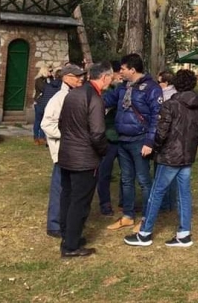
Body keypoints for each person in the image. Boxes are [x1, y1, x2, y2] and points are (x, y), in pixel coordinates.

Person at [124, 69, 198, 248]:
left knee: (156, 193)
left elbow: (161, 133)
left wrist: (157, 147)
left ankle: (145, 233)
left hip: (169, 157)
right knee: (184, 194)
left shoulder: (170, 105)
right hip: (187, 156)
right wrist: (190, 145)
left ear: (176, 84)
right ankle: (184, 234)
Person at [57, 62, 113, 257]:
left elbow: (61, 122)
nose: (111, 82)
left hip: (67, 154)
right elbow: (97, 133)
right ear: (104, 77)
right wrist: (104, 151)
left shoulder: (73, 93)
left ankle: (68, 235)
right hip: (84, 158)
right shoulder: (95, 98)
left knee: (68, 196)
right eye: (110, 78)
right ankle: (71, 246)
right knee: (80, 202)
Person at [103, 54, 163, 233]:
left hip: (140, 141)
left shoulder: (152, 88)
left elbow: (157, 117)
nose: (120, 72)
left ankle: (146, 218)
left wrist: (149, 142)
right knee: (126, 179)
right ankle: (128, 216)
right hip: (123, 140)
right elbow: (107, 100)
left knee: (144, 181)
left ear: (132, 69)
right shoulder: (122, 87)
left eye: (122, 69)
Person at [40, 63, 87, 238]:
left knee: (68, 188)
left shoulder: (72, 95)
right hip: (62, 150)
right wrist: (68, 134)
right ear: (66, 78)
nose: (80, 79)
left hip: (71, 150)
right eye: (76, 76)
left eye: (81, 76)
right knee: (60, 187)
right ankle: (54, 224)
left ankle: (64, 222)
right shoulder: (59, 98)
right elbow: (46, 124)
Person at [97, 61, 123, 216]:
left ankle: (125, 202)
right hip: (108, 136)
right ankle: (105, 203)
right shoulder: (106, 91)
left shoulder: (128, 89)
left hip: (124, 136)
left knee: (126, 173)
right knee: (104, 173)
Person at [156, 69, 178, 212]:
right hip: (176, 139)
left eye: (159, 82)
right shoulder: (177, 95)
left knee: (162, 172)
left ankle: (164, 203)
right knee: (174, 173)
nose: (157, 84)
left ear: (166, 82)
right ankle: (171, 202)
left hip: (165, 137)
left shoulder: (165, 97)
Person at [33, 65, 54, 145]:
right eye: (49, 71)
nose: (50, 73)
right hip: (39, 102)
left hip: (47, 102)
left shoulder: (49, 80)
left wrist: (51, 79)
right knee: (38, 120)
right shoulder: (39, 80)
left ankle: (42, 137)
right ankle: (36, 137)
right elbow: (44, 89)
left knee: (44, 121)